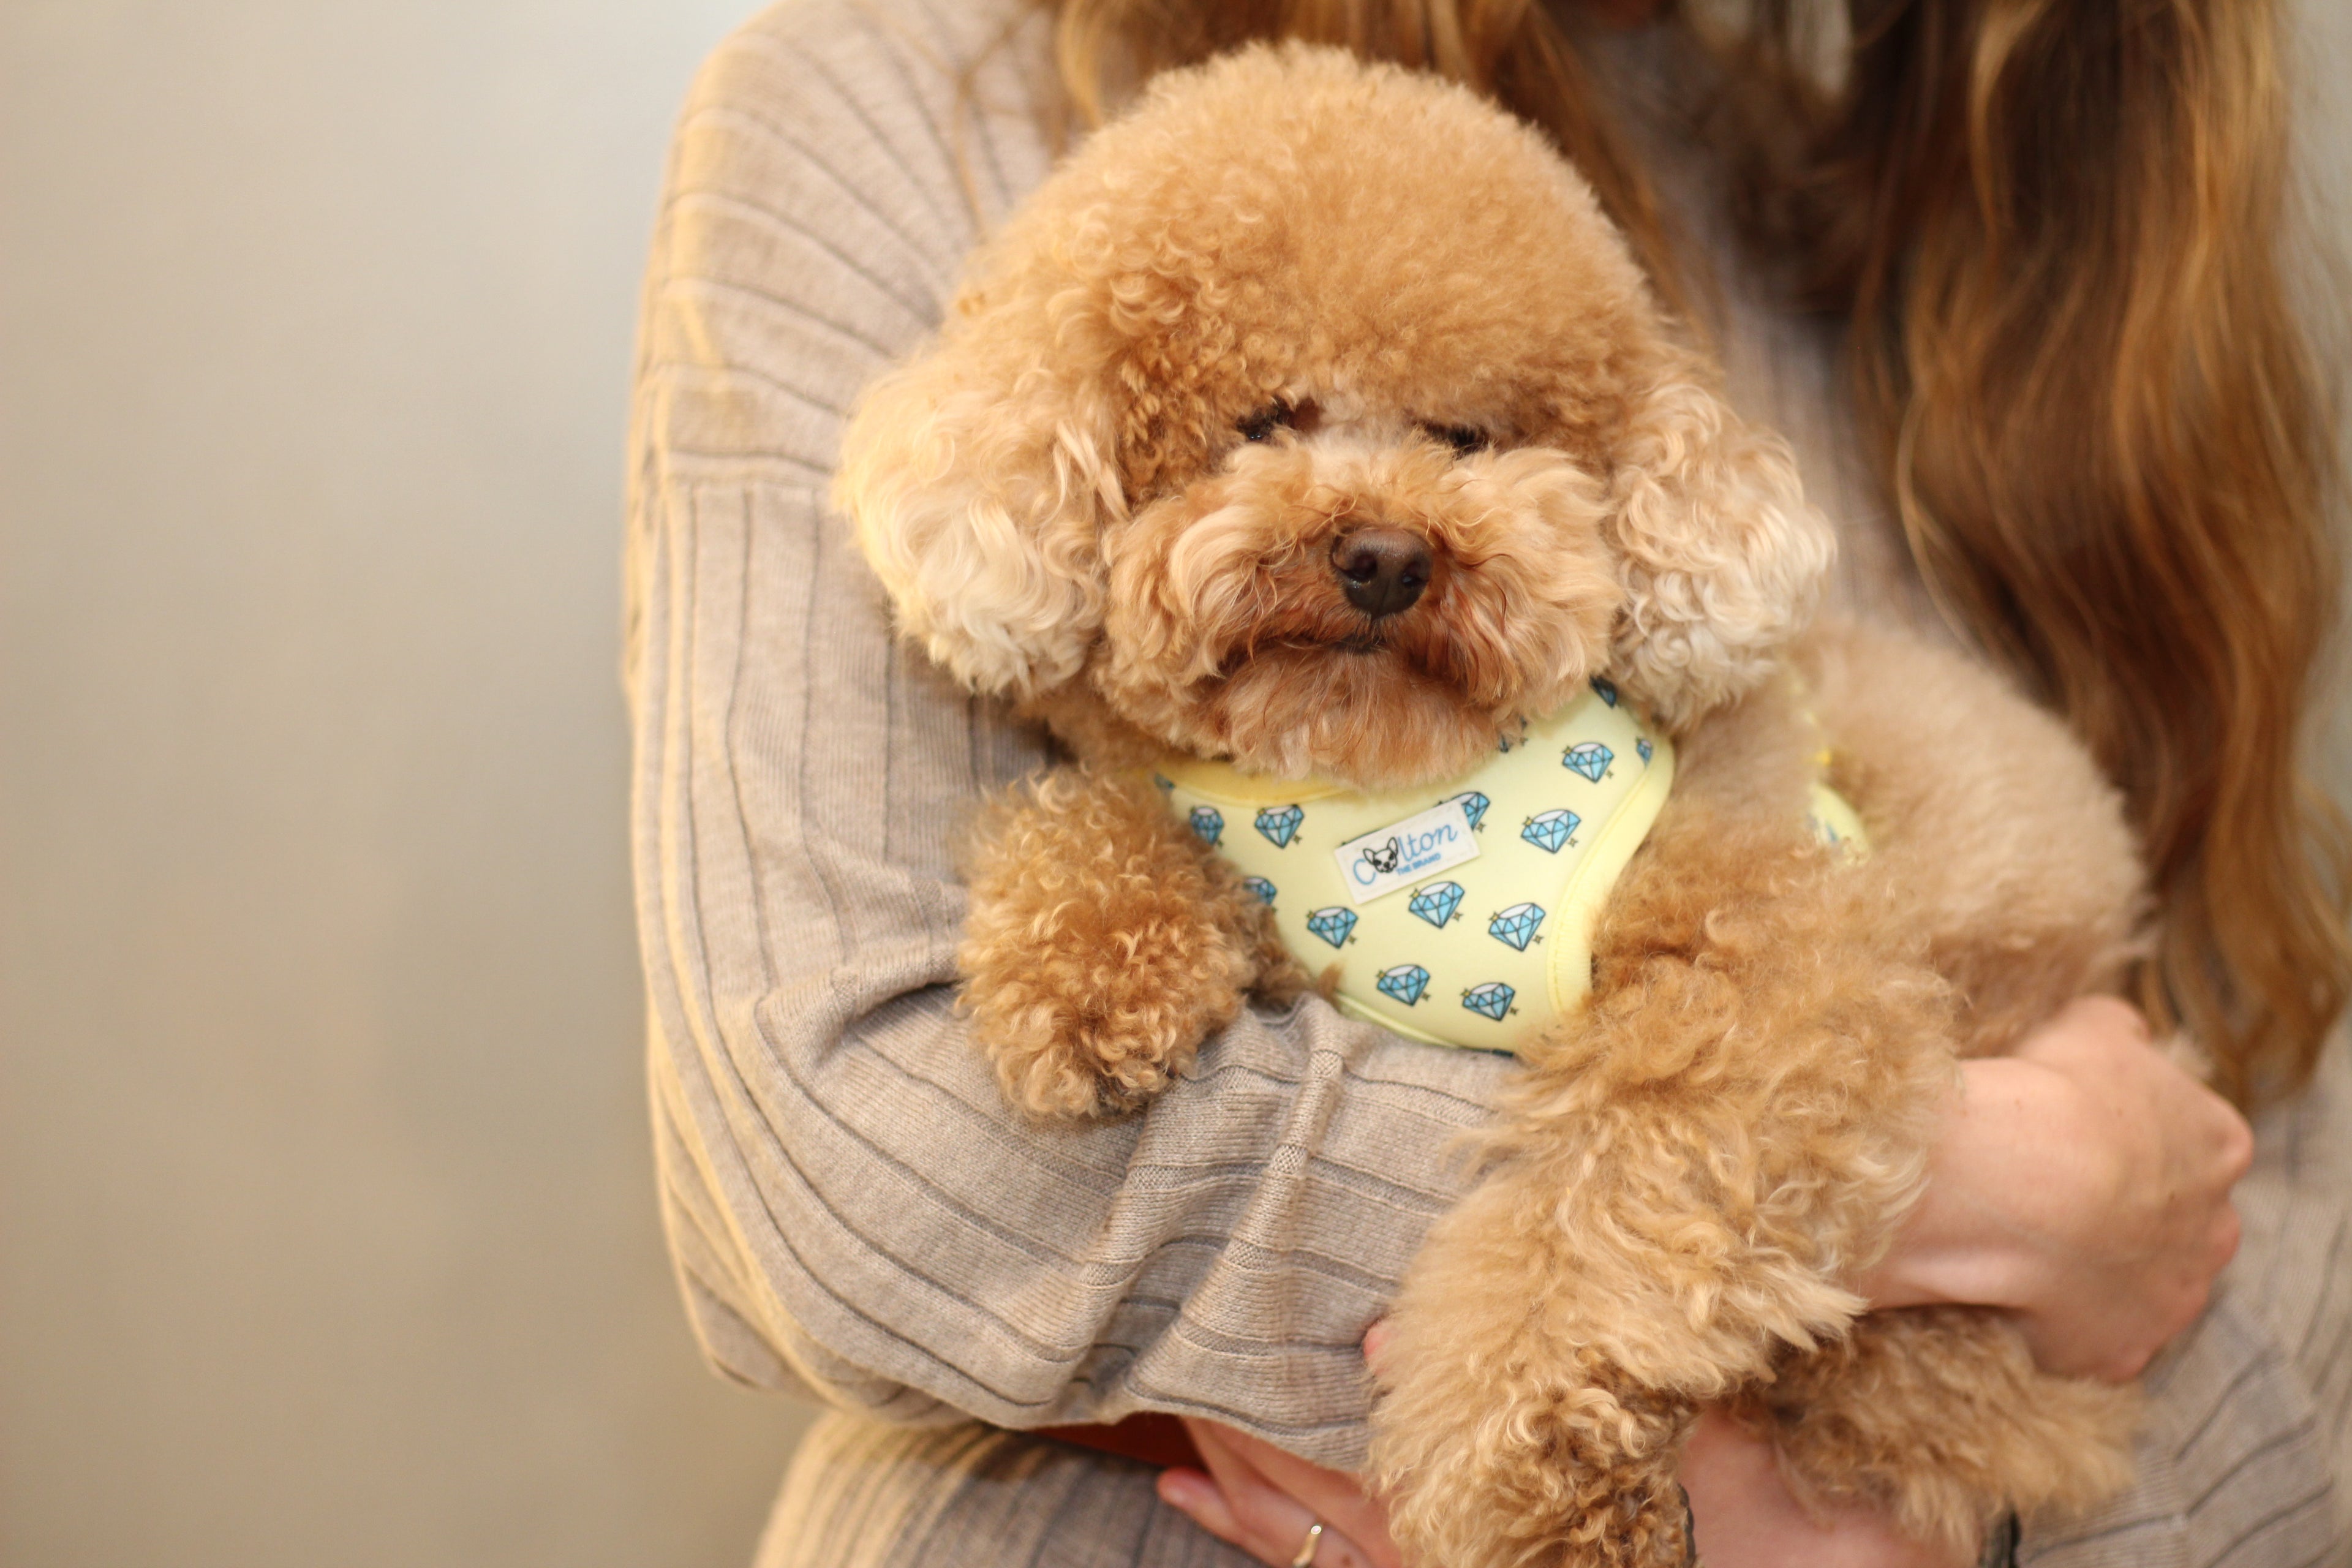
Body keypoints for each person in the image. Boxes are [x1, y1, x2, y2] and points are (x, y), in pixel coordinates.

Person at [623, 0, 2350, 1562]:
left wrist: (1919, 1541)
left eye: (1469, 444)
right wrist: (1955, 1189)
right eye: (1268, 424)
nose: (1376, 526)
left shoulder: (1967, 222)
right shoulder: (889, 109)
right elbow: (856, 1154)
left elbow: (2295, 1268)